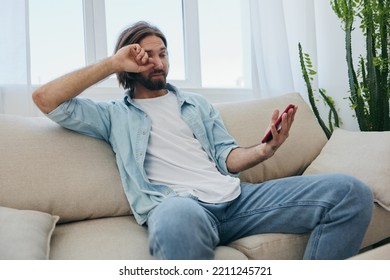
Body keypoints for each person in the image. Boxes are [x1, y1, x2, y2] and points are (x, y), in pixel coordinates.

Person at [32, 21, 373, 260]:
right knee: (177, 217)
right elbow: (46, 99)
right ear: (128, 63)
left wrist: (266, 148)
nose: (157, 61)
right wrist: (111, 63)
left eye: (162, 53)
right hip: (182, 206)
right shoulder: (112, 115)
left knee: (350, 193)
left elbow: (228, 158)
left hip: (238, 200)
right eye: (145, 55)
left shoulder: (195, 104)